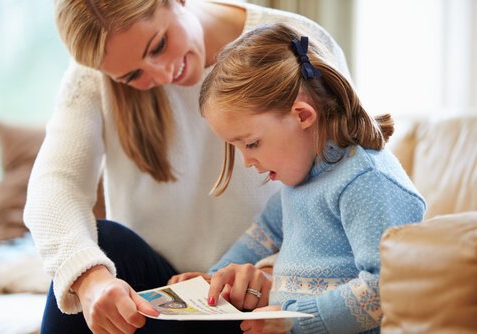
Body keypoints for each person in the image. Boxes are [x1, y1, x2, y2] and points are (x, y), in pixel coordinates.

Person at [23, 0, 352, 333]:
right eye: (132, 75)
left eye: (159, 45)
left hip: (260, 299)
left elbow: (340, 201)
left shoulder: (295, 45)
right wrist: (90, 280)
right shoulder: (97, 72)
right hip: (164, 295)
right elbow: (54, 184)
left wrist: (270, 273)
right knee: (105, 243)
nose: (162, 74)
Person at [194, 23, 426, 333]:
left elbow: (386, 289)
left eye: (251, 143)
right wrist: (213, 280)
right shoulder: (304, 176)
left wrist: (295, 320)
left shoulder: (365, 180)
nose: (247, 160)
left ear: (303, 115)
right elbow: (263, 232)